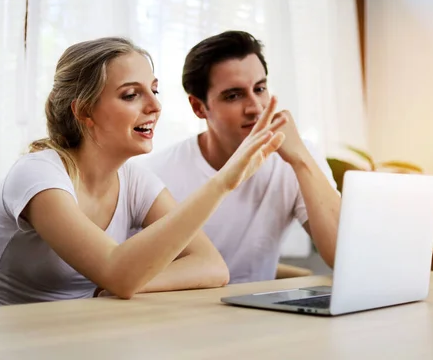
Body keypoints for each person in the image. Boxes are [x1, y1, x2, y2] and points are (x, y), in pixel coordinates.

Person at [0, 37, 287, 307]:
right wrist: (221, 183)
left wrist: (120, 285)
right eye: (131, 94)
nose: (155, 106)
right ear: (84, 111)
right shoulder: (38, 174)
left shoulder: (136, 180)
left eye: (154, 90)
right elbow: (118, 271)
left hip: (77, 339)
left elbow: (212, 266)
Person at [137, 31, 341, 284]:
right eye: (234, 95)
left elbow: (342, 256)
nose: (255, 107)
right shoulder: (156, 173)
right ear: (199, 107)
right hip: (180, 314)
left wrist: (301, 159)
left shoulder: (297, 156)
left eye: (260, 88)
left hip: (258, 315)